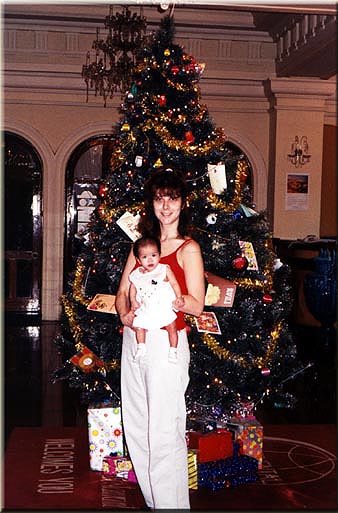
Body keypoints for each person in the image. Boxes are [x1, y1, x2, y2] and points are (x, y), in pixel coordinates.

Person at [115, 167, 205, 510]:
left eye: (172, 198)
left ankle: (171, 505)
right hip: (134, 339)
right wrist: (125, 313)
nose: (165, 206)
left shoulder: (188, 248)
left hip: (166, 343)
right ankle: (156, 501)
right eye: (159, 199)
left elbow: (196, 304)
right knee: (136, 421)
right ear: (151, 204)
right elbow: (123, 290)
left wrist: (181, 301)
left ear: (182, 204)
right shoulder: (142, 247)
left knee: (165, 427)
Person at [129, 235, 185, 363]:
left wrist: (179, 297)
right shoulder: (137, 274)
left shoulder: (164, 269)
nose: (150, 260)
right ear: (138, 260)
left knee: (172, 326)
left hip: (163, 305)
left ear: (159, 255)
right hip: (146, 306)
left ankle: (173, 350)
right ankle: (141, 346)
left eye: (153, 255)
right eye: (144, 257)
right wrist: (133, 301)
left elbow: (175, 284)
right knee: (139, 326)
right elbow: (133, 288)